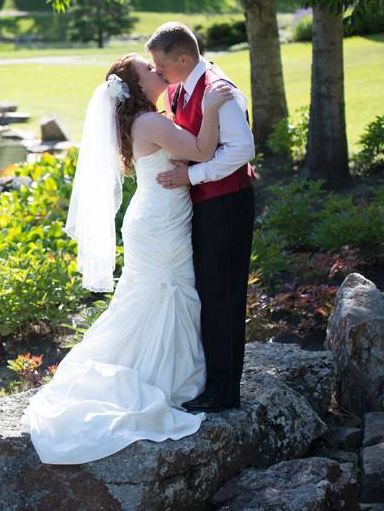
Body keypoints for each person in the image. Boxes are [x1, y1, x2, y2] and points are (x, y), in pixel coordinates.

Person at [19, 52, 235, 465]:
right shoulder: (150, 123)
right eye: (147, 71)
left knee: (154, 294)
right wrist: (210, 108)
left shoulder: (146, 119)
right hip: (159, 222)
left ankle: (167, 369)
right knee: (167, 291)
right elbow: (204, 152)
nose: (157, 72)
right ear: (136, 88)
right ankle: (167, 377)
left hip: (156, 216)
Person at [149, 22, 256, 413]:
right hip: (203, 204)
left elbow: (241, 149)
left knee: (223, 297)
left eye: (159, 65)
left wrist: (190, 174)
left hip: (227, 204)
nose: (156, 71)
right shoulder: (178, 87)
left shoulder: (219, 90)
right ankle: (210, 382)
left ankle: (224, 393)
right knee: (206, 294)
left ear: (182, 58)